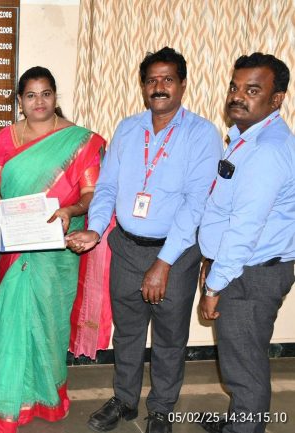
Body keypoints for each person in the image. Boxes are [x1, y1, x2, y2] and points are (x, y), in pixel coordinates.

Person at [66, 47, 222, 433]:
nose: (159, 87)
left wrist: (164, 262)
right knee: (128, 332)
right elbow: (107, 187)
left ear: (182, 84)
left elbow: (196, 204)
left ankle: (162, 409)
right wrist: (95, 228)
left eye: (168, 79)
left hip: (176, 254)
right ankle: (124, 399)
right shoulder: (127, 129)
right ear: (143, 86)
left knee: (169, 337)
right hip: (126, 247)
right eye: (152, 80)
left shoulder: (202, 134)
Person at [0, 66, 108, 433]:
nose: (39, 102)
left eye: (46, 94)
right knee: (12, 316)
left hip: (57, 246)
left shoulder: (80, 141)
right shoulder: (5, 138)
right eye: (30, 95)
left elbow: (90, 195)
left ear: (55, 97)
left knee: (49, 322)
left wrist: (70, 211)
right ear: (20, 101)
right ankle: (8, 400)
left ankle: (45, 397)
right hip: (16, 241)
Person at [197, 53, 294, 433]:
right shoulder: (247, 138)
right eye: (235, 87)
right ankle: (239, 424)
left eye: (252, 90)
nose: (238, 96)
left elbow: (244, 229)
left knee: (244, 370)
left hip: (250, 275)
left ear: (276, 99)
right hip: (243, 267)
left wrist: (214, 285)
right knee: (240, 360)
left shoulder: (267, 150)